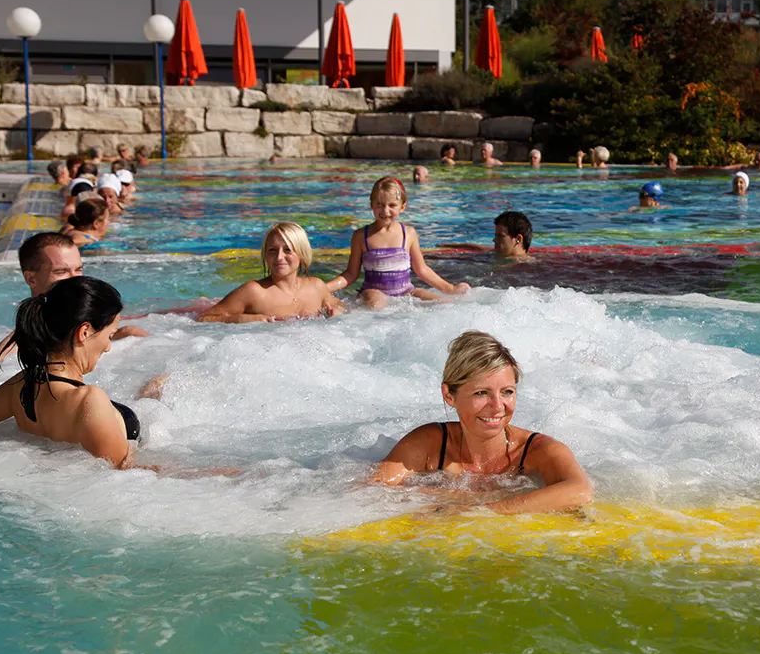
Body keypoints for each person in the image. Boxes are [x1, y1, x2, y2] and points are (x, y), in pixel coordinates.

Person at [369, 331, 594, 514]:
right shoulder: (430, 444)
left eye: (507, 392)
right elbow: (370, 493)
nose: (497, 406)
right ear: (449, 395)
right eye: (481, 393)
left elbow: (580, 491)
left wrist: (481, 511)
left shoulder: (536, 451)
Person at [0, 277, 151, 470]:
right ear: (84, 332)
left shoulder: (21, 385)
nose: (108, 347)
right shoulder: (88, 400)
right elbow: (127, 472)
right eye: (110, 335)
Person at [0, 233, 148, 366]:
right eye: (61, 271)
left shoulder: (113, 331)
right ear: (31, 279)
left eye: (78, 269)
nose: (74, 278)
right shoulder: (20, 344)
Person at [325, 177, 469, 307]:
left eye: (392, 205)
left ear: (402, 207)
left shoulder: (409, 233)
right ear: (371, 205)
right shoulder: (361, 236)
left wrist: (449, 289)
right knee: (376, 306)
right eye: (379, 204)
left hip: (406, 290)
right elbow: (351, 274)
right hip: (373, 291)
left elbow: (422, 269)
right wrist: (324, 288)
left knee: (446, 304)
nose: (385, 210)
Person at [197, 222, 345, 323]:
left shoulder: (316, 287)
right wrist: (240, 319)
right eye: (272, 250)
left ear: (302, 253)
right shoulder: (255, 292)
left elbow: (345, 308)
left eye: (288, 250)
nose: (279, 257)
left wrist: (338, 312)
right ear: (265, 255)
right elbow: (203, 318)